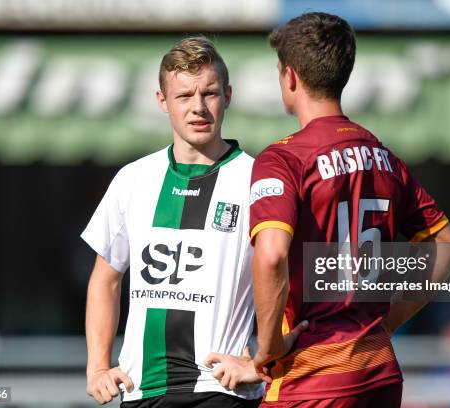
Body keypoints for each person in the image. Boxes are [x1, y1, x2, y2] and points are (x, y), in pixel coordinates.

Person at [246, 13, 450, 407]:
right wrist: (388, 322)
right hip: (379, 370)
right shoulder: (383, 155)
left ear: (290, 76)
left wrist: (268, 347)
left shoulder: (283, 158)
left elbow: (272, 253)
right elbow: (448, 247)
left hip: (314, 373)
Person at [82, 36, 295, 407]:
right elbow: (106, 279)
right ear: (162, 101)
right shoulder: (134, 178)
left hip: (220, 392)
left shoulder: (258, 179)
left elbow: (294, 278)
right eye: (184, 96)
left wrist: (261, 358)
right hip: (140, 391)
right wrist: (98, 367)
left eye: (209, 93)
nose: (199, 107)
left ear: (228, 95)